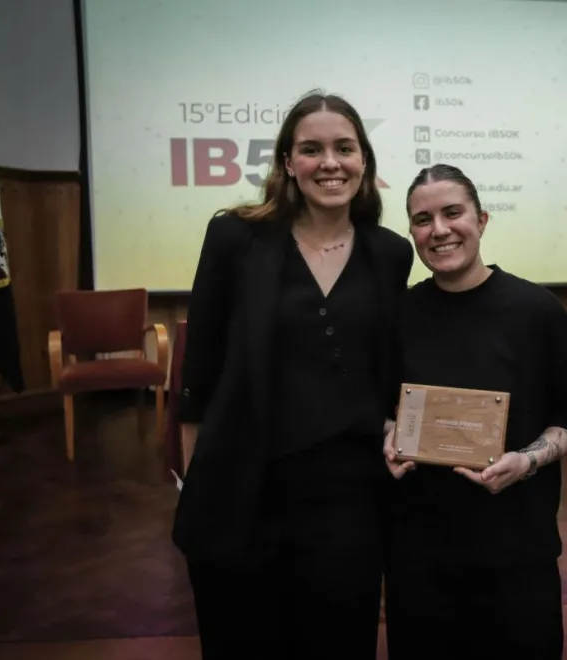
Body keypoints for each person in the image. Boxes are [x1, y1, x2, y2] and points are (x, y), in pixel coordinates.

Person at [171, 91, 414, 659]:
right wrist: (195, 485)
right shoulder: (236, 237)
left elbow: (389, 370)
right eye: (311, 149)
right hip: (242, 493)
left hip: (347, 503)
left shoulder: (391, 252)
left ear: (364, 161)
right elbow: (197, 373)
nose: (330, 162)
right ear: (286, 162)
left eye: (344, 148)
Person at [381, 163, 567, 660]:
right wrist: (388, 434)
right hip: (419, 555)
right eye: (422, 219)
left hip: (516, 553)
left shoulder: (537, 311)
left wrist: (529, 461)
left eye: (453, 213)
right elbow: (379, 407)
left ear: (482, 219)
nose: (440, 230)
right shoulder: (398, 315)